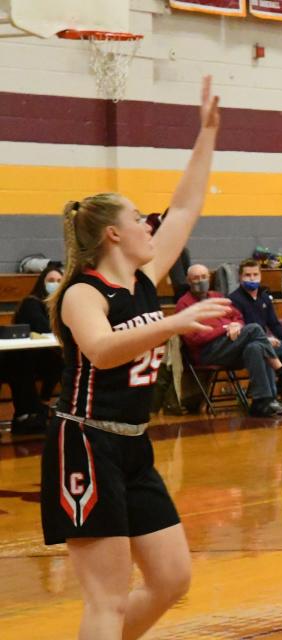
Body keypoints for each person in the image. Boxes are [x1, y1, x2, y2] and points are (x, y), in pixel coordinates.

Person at [39, 77, 233, 640]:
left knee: (172, 578)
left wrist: (208, 134)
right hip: (85, 442)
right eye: (138, 218)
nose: (150, 222)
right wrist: (172, 323)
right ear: (113, 236)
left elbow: (188, 205)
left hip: (132, 442)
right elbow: (99, 352)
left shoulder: (145, 280)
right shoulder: (82, 293)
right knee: (108, 599)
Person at [177, 264, 282, 417]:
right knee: (254, 330)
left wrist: (237, 325)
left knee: (267, 347)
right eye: (196, 278)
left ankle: (277, 400)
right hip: (210, 351)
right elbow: (194, 338)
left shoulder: (219, 297)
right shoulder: (185, 304)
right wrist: (226, 327)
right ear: (188, 280)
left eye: (204, 277)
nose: (200, 281)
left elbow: (240, 318)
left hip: (243, 345)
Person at [228, 259, 282, 412]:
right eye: (247, 275)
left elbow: (274, 324)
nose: (251, 278)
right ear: (240, 277)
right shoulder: (234, 299)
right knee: (261, 348)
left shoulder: (264, 297)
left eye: (255, 274)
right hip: (249, 347)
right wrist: (266, 339)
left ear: (260, 276)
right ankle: (270, 399)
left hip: (268, 343)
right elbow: (242, 328)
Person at [0, 264, 65, 434]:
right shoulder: (32, 303)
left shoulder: (60, 306)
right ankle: (32, 411)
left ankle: (45, 406)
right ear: (42, 283)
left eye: (59, 281)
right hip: (20, 361)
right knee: (57, 360)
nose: (55, 284)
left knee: (64, 360)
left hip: (43, 358)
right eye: (51, 280)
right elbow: (43, 328)